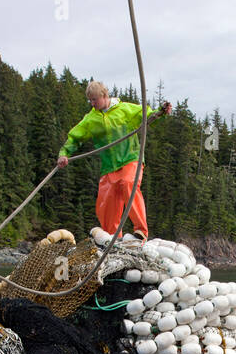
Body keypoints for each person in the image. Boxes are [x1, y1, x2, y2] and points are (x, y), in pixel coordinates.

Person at [57, 81, 172, 240]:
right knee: (106, 201)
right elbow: (75, 137)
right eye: (90, 100)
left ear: (104, 96)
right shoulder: (91, 119)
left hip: (130, 159)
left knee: (127, 184)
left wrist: (161, 112)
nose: (92, 103)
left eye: (94, 100)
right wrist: (64, 153)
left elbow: (147, 115)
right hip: (109, 166)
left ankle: (141, 231)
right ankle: (112, 239)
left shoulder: (124, 109)